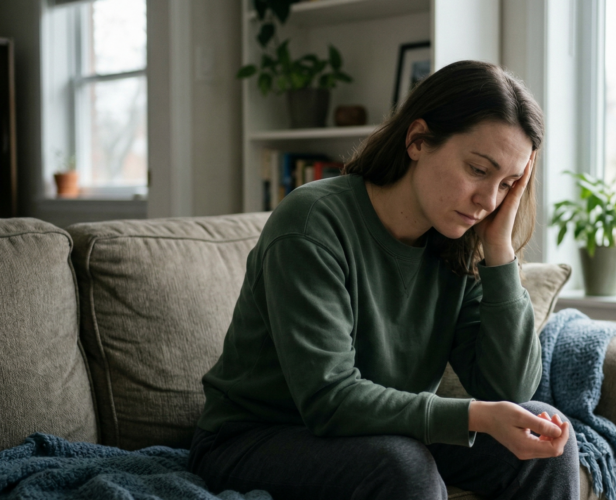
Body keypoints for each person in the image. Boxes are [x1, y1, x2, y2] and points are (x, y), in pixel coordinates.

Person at [188, 60, 580, 500]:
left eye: (508, 184)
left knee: (546, 443)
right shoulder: (313, 222)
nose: (488, 200)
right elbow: (329, 400)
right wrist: (474, 416)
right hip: (254, 439)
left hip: (382, 431)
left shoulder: (460, 242)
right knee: (403, 467)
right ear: (417, 140)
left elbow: (509, 389)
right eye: (478, 170)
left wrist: (500, 250)